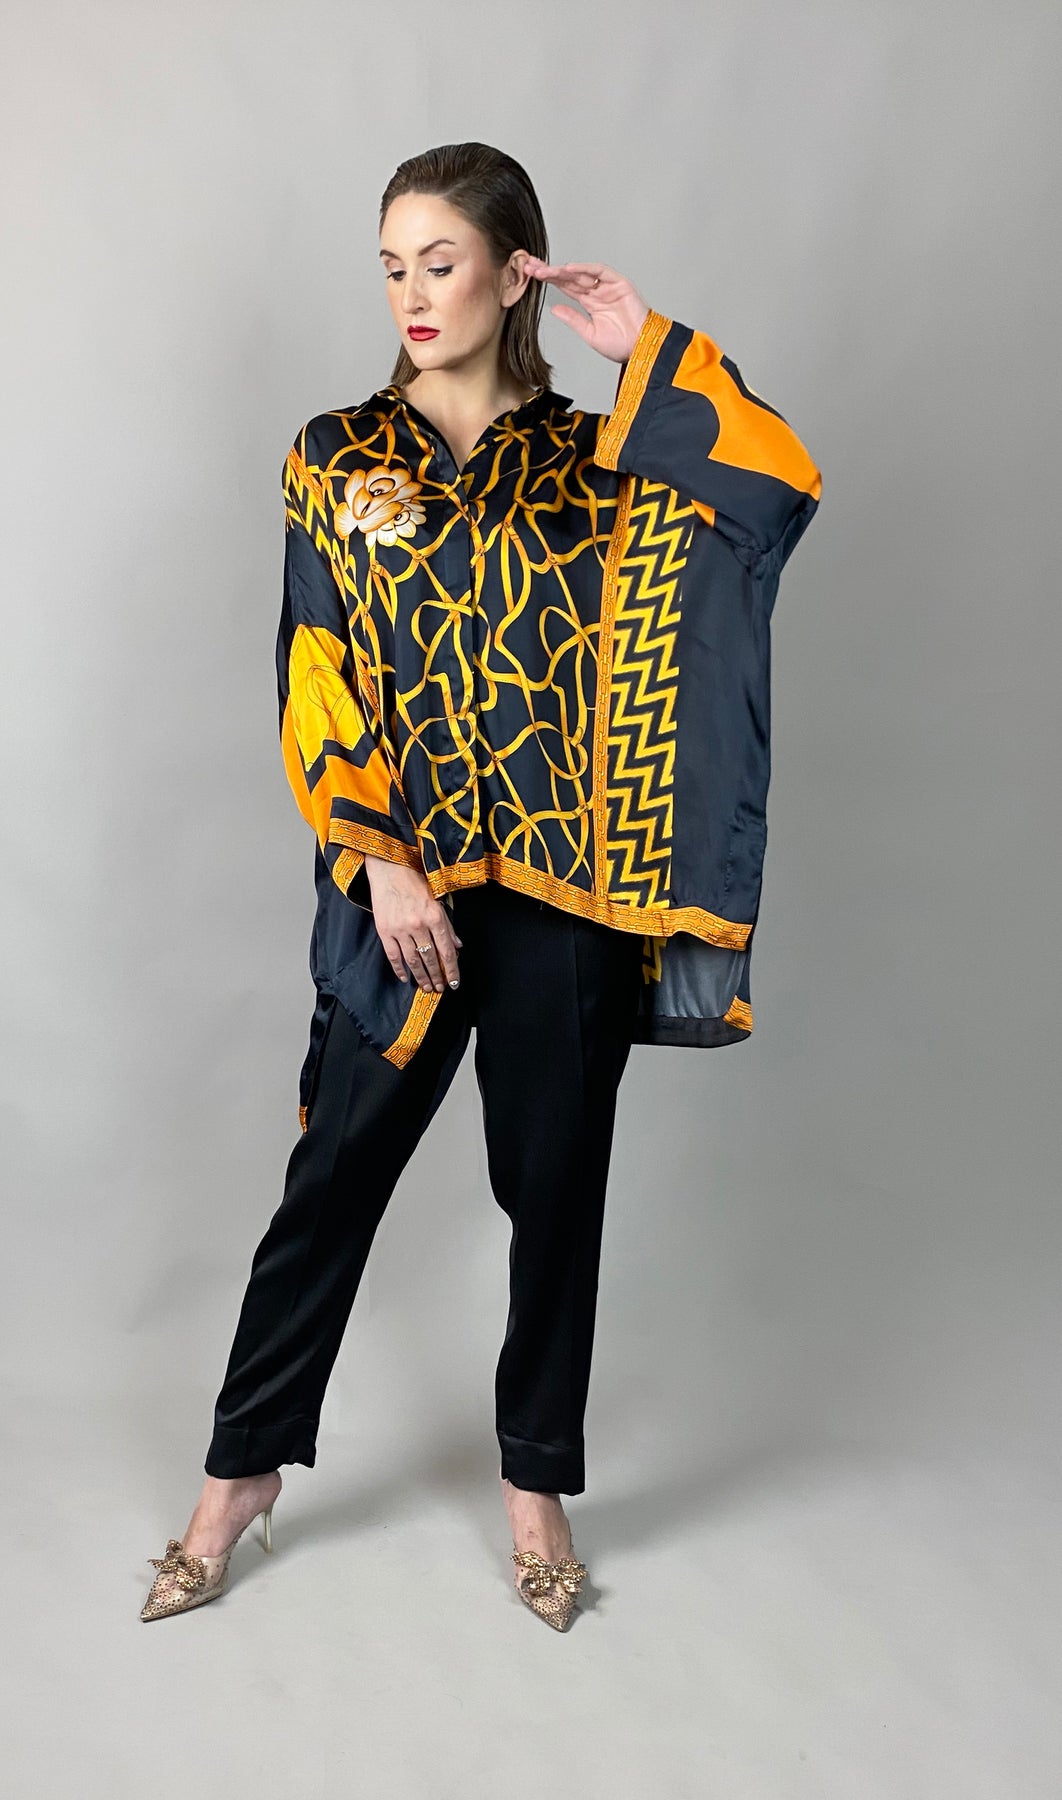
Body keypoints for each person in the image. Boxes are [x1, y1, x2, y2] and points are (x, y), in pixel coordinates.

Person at [141, 142, 822, 1631]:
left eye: (439, 262)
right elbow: (314, 664)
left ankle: (535, 1485)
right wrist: (377, 861)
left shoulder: (598, 457)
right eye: (392, 266)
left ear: (516, 273)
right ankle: (237, 1478)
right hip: (400, 883)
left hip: (564, 891)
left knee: (553, 1190)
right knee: (331, 1181)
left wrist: (649, 351)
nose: (411, 293)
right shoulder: (337, 455)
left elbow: (773, 491)